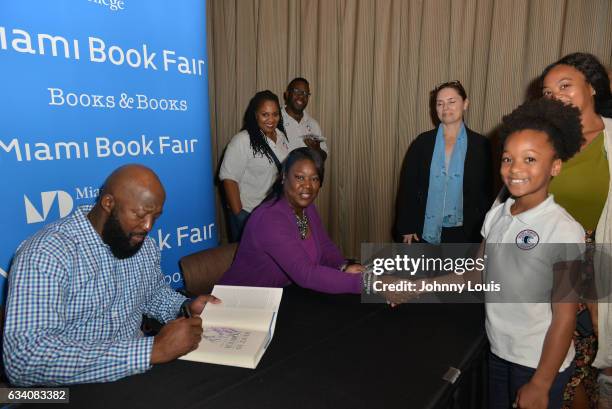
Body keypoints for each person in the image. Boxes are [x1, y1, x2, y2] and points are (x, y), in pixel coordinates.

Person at [3, 164, 220, 386]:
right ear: (108, 203)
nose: (148, 227)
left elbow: (153, 294)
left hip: (138, 375)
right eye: (140, 214)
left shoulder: (144, 245)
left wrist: (184, 306)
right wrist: (151, 350)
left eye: (155, 217)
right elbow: (24, 359)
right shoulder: (47, 253)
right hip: (67, 390)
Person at [541, 52, 612, 409]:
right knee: (562, 371)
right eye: (548, 93)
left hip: (599, 276)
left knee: (582, 369)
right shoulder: (545, 142)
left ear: (593, 87)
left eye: (565, 86)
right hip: (548, 272)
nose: (556, 97)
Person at [219, 147, 363, 294]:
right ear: (284, 177)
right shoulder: (269, 219)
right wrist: (370, 284)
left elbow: (325, 247)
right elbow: (306, 274)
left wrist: (343, 266)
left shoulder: (307, 208)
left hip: (280, 296)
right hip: (241, 301)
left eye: (314, 179)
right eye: (300, 177)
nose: (308, 186)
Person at [395, 80, 492, 244]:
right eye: (440, 104)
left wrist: (485, 230)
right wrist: (407, 226)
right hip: (423, 229)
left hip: (466, 231)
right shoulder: (422, 143)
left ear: (465, 104)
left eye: (451, 102)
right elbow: (408, 186)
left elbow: (486, 193)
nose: (445, 108)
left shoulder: (481, 145)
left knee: (459, 270)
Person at [220, 90, 290, 242]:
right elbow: (229, 180)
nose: (271, 119)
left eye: (275, 114)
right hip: (250, 214)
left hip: (275, 212)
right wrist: (240, 217)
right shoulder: (243, 140)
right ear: (255, 115)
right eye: (265, 114)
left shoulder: (281, 136)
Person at [281, 77, 328, 160]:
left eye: (306, 93)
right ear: (287, 94)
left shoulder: (313, 124)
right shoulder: (274, 121)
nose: (301, 96)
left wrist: (317, 149)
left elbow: (324, 156)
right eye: (297, 91)